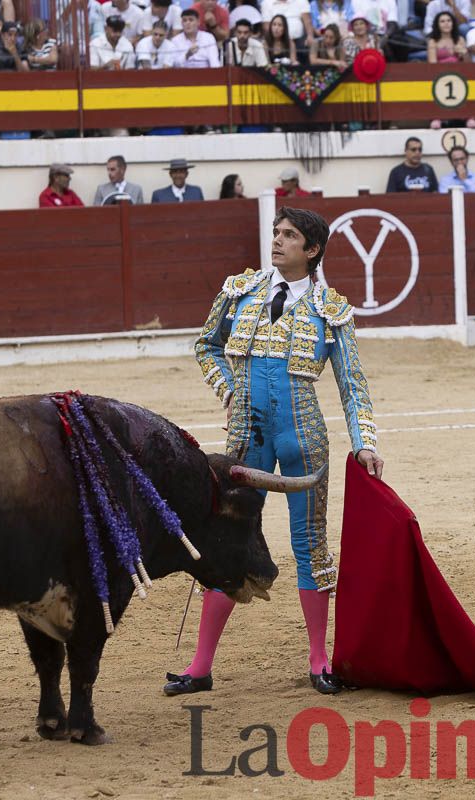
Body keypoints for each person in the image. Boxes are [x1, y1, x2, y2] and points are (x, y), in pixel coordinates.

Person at [166, 206, 382, 698]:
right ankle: (200, 667)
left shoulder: (331, 309)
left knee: (310, 544)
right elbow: (206, 346)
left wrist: (365, 441)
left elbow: (352, 385)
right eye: (277, 232)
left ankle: (319, 660)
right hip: (248, 434)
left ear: (312, 250)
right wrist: (231, 392)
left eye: (290, 236)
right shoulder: (240, 290)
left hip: (303, 437)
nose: (278, 240)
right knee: (229, 544)